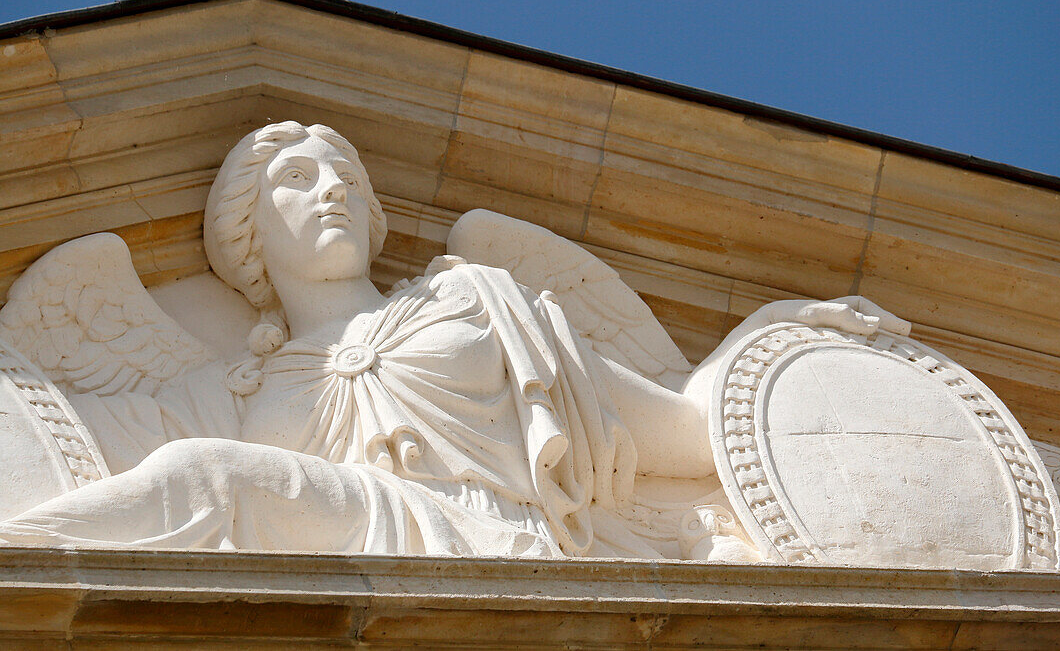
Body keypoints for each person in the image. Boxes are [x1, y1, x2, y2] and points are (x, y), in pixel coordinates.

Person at [0, 122, 897, 558]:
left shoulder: (474, 300)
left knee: (217, 474)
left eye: (347, 174)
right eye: (297, 179)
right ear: (246, 239)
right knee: (208, 473)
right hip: (380, 538)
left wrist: (770, 341)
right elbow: (71, 427)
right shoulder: (236, 389)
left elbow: (683, 431)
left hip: (504, 545)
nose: (332, 190)